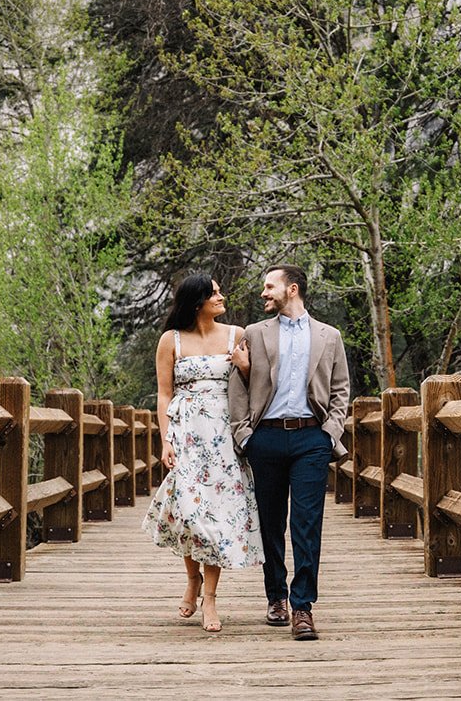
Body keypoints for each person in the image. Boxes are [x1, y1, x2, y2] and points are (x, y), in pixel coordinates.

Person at [229, 263, 350, 641]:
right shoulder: (254, 333)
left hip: (311, 439)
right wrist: (245, 435)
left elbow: (341, 388)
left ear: (292, 289)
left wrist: (330, 432)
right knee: (270, 524)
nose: (263, 293)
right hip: (265, 437)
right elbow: (238, 387)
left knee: (306, 524)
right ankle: (276, 597)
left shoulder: (329, 336)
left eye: (270, 286)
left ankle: (302, 607)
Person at [142, 273, 263, 633]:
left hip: (225, 436)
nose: (221, 296)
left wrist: (244, 366)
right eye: (214, 293)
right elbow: (164, 394)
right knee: (189, 513)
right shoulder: (172, 340)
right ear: (197, 302)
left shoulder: (237, 334)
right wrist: (165, 441)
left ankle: (209, 598)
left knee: (218, 517)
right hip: (187, 434)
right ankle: (191, 578)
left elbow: (255, 382)